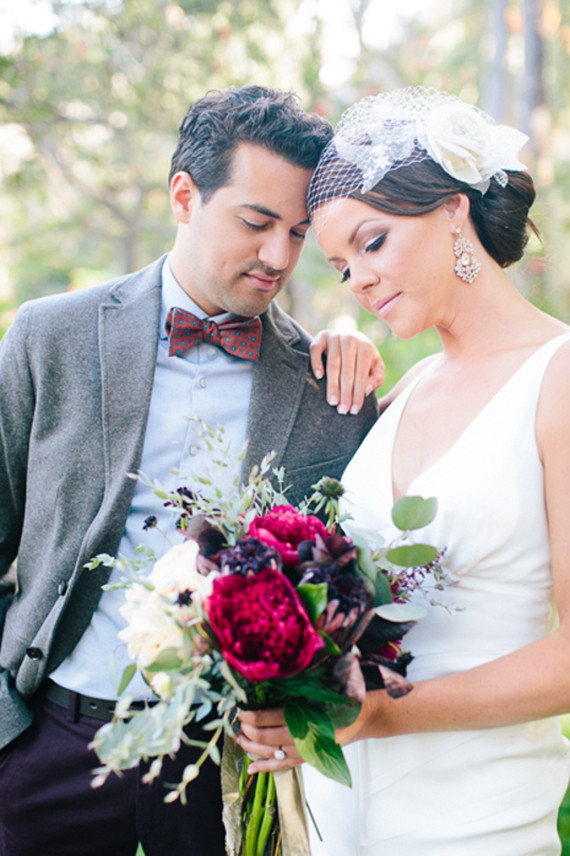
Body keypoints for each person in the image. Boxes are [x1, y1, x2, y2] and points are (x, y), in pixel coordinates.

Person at [0, 85, 382, 856]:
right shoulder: (48, 337)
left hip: (228, 772)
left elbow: (348, 588)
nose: (278, 257)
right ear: (184, 196)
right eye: (255, 223)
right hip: (46, 745)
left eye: (297, 234)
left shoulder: (330, 389)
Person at [236, 86, 570, 855]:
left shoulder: (556, 378)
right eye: (341, 265)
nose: (358, 279)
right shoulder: (408, 387)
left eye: (373, 242)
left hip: (476, 822)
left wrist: (382, 713)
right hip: (340, 814)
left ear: (453, 210)